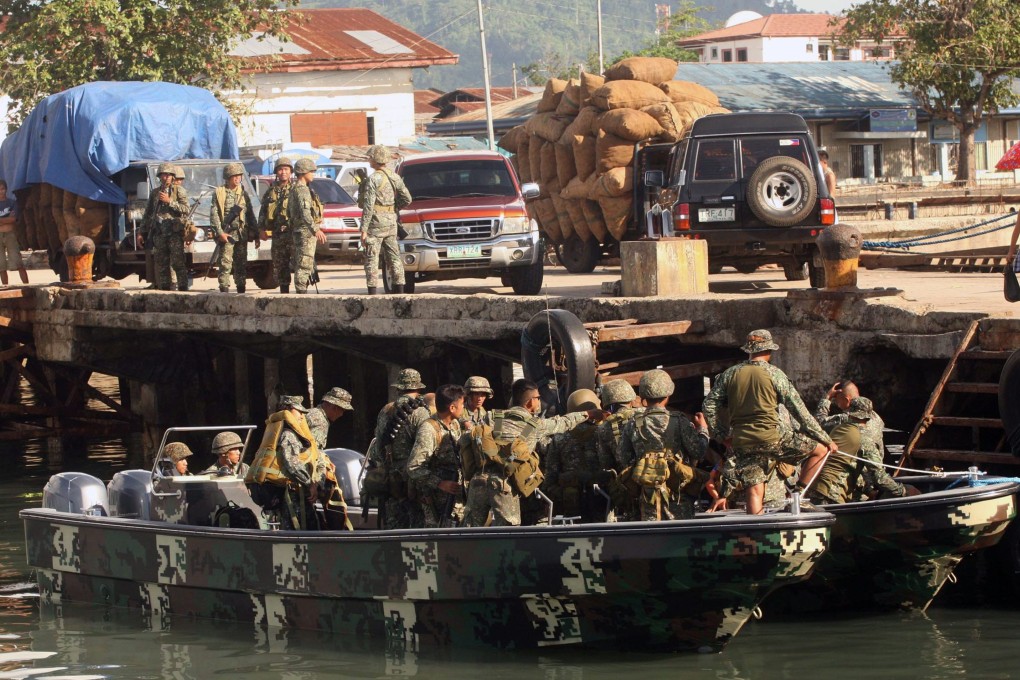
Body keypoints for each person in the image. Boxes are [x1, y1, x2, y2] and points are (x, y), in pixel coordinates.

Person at [703, 329, 836, 515]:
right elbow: (800, 412)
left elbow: (708, 405)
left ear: (749, 350)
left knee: (755, 488)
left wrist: (722, 435)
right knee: (820, 451)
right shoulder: (775, 374)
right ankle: (798, 496)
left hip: (742, 441)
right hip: (772, 437)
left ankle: (754, 532)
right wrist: (826, 439)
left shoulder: (730, 374)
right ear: (769, 351)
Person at [461, 378, 604, 527]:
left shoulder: (491, 417)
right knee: (508, 533)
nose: (539, 401)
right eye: (538, 398)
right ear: (529, 402)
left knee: (468, 531)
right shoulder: (535, 426)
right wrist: (589, 414)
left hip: (478, 480)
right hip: (503, 485)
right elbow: (563, 422)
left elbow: (468, 437)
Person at [617, 370, 711, 521]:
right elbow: (698, 451)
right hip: (678, 492)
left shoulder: (633, 423)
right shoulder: (679, 421)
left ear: (643, 396)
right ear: (668, 396)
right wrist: (703, 430)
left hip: (648, 493)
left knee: (651, 537)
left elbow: (623, 457)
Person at [245, 394, 327, 530]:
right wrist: (310, 484)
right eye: (299, 411)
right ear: (288, 409)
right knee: (299, 530)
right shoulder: (288, 434)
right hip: (294, 496)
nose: (302, 416)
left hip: (291, 494)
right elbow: (292, 464)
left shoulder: (278, 431)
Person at [364, 368, 431, 529]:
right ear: (418, 388)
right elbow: (426, 446)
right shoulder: (420, 412)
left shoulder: (386, 410)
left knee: (393, 530)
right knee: (416, 528)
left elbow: (377, 447)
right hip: (412, 479)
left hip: (390, 479)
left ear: (399, 388)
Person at [819, 396, 907, 500]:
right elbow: (879, 477)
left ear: (849, 413)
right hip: (834, 493)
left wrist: (868, 490)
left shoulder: (837, 429)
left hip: (817, 486)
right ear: (869, 417)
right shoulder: (865, 439)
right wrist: (902, 491)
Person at [540, 388, 605, 523]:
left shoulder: (559, 437)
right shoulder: (602, 433)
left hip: (569, 500)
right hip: (600, 496)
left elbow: (551, 474)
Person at [406, 383, 466, 528]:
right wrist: (440, 483)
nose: (464, 408)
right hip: (437, 503)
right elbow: (414, 467)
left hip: (455, 500)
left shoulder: (454, 424)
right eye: (462, 404)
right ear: (452, 408)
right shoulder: (429, 429)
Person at [360, 145, 412, 295]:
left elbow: (368, 206)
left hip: (376, 223)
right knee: (394, 256)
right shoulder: (394, 176)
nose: (369, 160)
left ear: (376, 159)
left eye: (370, 157)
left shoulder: (373, 178)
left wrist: (363, 229)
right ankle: (400, 290)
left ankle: (372, 292)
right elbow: (407, 199)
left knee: (372, 257)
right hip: (391, 222)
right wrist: (394, 209)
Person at [138, 162, 189, 291]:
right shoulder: (155, 193)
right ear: (159, 177)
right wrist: (141, 231)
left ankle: (182, 287)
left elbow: (185, 209)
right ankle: (165, 288)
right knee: (162, 262)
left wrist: (170, 201)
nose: (165, 178)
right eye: (163, 175)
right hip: (159, 232)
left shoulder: (179, 191)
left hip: (174, 232)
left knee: (178, 261)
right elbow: (148, 213)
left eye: (168, 175)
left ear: (172, 177)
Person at [210, 162, 257, 294]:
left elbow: (250, 214)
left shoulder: (243, 194)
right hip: (227, 233)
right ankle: (224, 288)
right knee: (225, 262)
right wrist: (220, 233)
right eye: (234, 176)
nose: (237, 179)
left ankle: (241, 288)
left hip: (241, 233)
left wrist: (256, 233)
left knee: (241, 263)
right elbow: (214, 214)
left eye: (239, 176)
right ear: (227, 177)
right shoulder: (220, 193)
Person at [287, 158, 326, 294]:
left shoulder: (294, 189)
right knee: (305, 263)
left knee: (302, 261)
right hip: (305, 232)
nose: (313, 174)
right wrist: (316, 230)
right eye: (311, 171)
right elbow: (305, 213)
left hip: (299, 230)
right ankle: (301, 292)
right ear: (303, 172)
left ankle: (301, 289)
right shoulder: (302, 190)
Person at [258, 157, 295, 294]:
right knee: (280, 264)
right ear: (276, 172)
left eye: (286, 169)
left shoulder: (296, 190)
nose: (283, 172)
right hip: (278, 234)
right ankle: (284, 292)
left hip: (293, 233)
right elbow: (263, 211)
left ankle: (301, 292)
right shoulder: (270, 191)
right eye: (280, 169)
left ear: (291, 171)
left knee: (299, 263)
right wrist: (261, 229)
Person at [595, 378, 644, 472]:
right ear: (631, 399)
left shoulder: (604, 427)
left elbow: (606, 464)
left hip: (627, 480)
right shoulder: (645, 414)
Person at [306, 387, 354, 451]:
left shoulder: (310, 412)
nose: (341, 414)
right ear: (335, 407)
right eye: (342, 410)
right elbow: (312, 452)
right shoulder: (320, 422)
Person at [0, 179, 28, 286]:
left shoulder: (12, 203)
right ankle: (5, 287)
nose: (1, 191)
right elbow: (9, 219)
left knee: (18, 262)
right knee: (1, 265)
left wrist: (3, 221)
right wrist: (6, 220)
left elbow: (13, 219)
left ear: (6, 189)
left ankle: (27, 286)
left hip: (10, 235)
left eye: (2, 189)